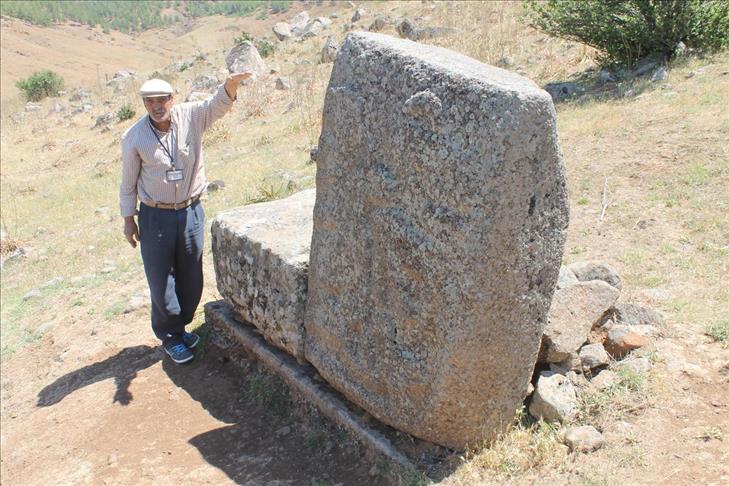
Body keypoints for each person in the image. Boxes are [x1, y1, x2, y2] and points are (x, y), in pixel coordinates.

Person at [120, 72, 251, 364]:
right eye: (150, 101)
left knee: (191, 275)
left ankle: (181, 326)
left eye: (162, 99)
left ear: (172, 99)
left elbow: (217, 105)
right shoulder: (134, 137)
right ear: (144, 104)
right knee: (161, 278)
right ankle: (171, 336)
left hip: (191, 210)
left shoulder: (191, 116)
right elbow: (128, 184)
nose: (157, 106)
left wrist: (230, 85)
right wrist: (129, 219)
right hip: (156, 214)